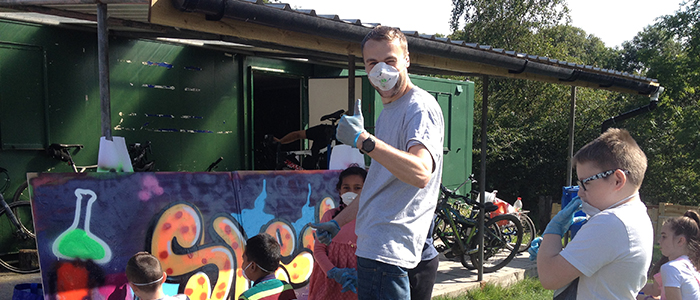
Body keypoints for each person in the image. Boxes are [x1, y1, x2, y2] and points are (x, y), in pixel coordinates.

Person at [310, 25, 445, 300]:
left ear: (407, 59)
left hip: (388, 250)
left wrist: (363, 141)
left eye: (390, 61)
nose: (381, 70)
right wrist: (339, 223)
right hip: (379, 249)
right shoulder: (389, 113)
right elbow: (378, 185)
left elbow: (421, 172)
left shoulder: (418, 106)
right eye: (372, 63)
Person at [536, 128, 654, 299]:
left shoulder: (612, 222)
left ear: (617, 180)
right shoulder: (637, 215)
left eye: (586, 184)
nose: (580, 193)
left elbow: (549, 278)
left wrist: (553, 231)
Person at [308, 166, 367, 300]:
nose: (351, 192)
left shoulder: (370, 219)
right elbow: (318, 250)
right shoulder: (330, 216)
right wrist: (332, 271)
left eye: (357, 188)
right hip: (328, 281)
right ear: (339, 191)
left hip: (359, 281)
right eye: (346, 187)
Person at [638, 210, 700, 300]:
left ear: (680, 241)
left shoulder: (672, 268)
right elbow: (655, 291)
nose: (659, 241)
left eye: (664, 236)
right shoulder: (689, 266)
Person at [238, 233, 297, 300]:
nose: (242, 266)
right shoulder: (286, 288)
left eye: (244, 260)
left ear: (252, 267)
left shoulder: (247, 297)